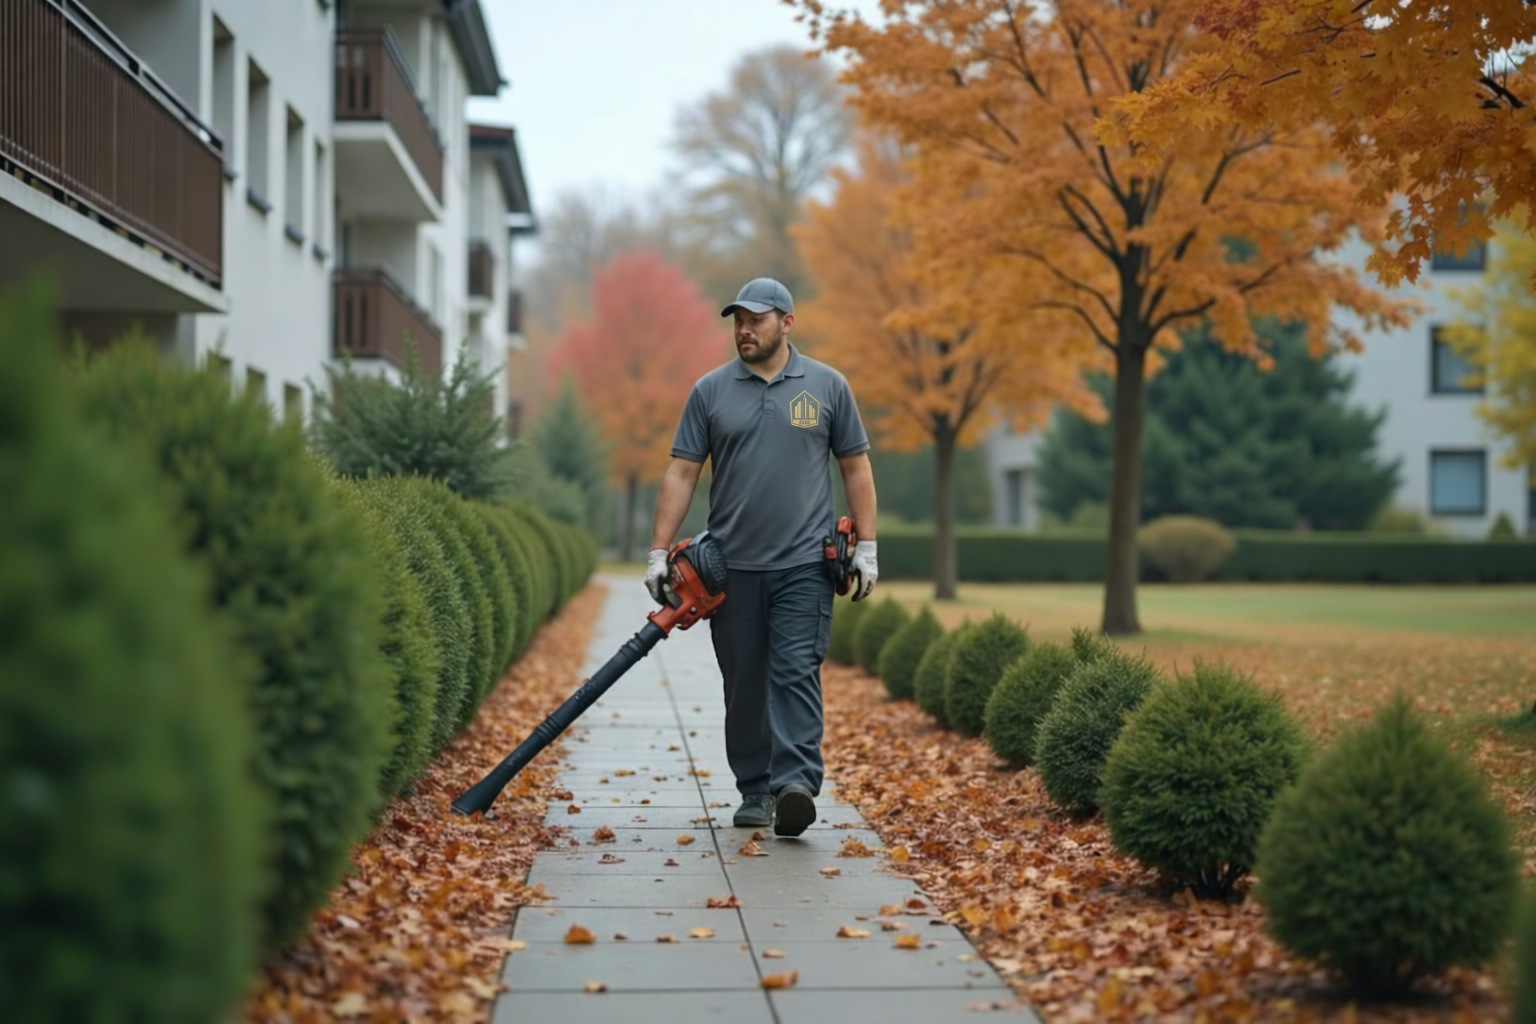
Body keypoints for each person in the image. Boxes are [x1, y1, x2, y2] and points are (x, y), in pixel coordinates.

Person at [646, 277, 879, 838]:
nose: (744, 330)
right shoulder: (710, 391)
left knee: (796, 670)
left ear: (786, 323)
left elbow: (855, 467)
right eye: (738, 321)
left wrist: (868, 548)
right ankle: (754, 788)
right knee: (745, 682)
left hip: (805, 566)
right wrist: (658, 552)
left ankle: (794, 784)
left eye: (756, 320)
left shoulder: (827, 386)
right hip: (730, 569)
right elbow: (682, 473)